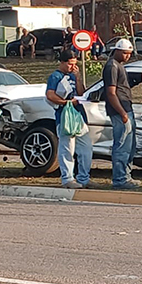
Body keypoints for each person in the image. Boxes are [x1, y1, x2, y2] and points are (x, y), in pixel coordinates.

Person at [46, 49, 91, 189]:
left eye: (74, 64)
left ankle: (84, 177)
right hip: (65, 115)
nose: (72, 67)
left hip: (78, 115)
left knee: (86, 147)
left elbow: (82, 92)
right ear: (62, 62)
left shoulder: (73, 75)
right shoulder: (55, 76)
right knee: (67, 147)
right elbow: (50, 95)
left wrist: (78, 77)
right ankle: (67, 178)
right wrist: (67, 102)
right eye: (70, 64)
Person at [103, 38, 138, 190]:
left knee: (130, 146)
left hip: (126, 107)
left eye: (129, 54)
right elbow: (111, 93)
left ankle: (126, 176)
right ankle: (119, 179)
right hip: (119, 110)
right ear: (117, 50)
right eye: (125, 53)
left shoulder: (119, 65)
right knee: (122, 145)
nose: (127, 56)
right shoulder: (112, 66)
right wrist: (122, 113)